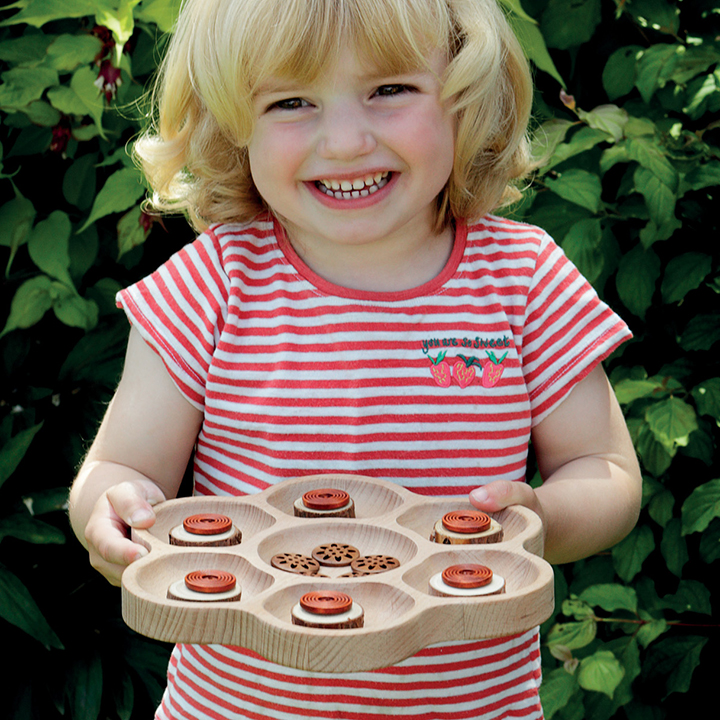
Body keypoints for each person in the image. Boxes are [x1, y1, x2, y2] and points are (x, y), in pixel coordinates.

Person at [68, 0, 642, 718]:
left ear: (469, 95)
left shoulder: (521, 279)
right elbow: (122, 471)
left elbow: (608, 473)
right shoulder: (211, 287)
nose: (344, 141)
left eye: (389, 90)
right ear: (230, 123)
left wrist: (539, 517)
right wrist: (111, 513)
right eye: (290, 101)